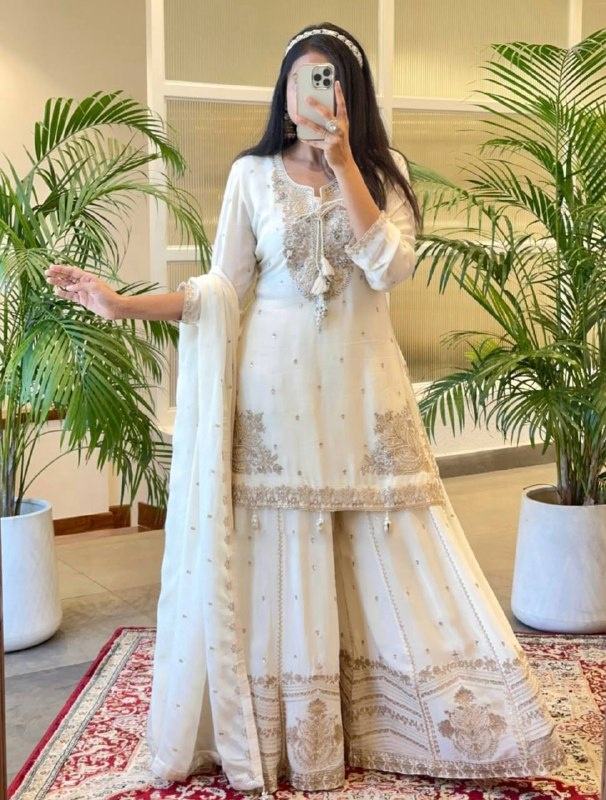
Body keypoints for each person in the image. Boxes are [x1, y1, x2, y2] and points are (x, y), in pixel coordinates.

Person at [45, 21, 566, 798]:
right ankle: (286, 732)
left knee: (396, 539)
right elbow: (223, 290)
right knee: (279, 554)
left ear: (352, 96)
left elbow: (388, 268)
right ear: (284, 91)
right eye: (303, 78)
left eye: (331, 80)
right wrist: (123, 305)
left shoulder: (382, 175)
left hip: (365, 395)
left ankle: (407, 720)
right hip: (275, 399)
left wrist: (345, 163)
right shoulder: (251, 176)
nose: (315, 93)